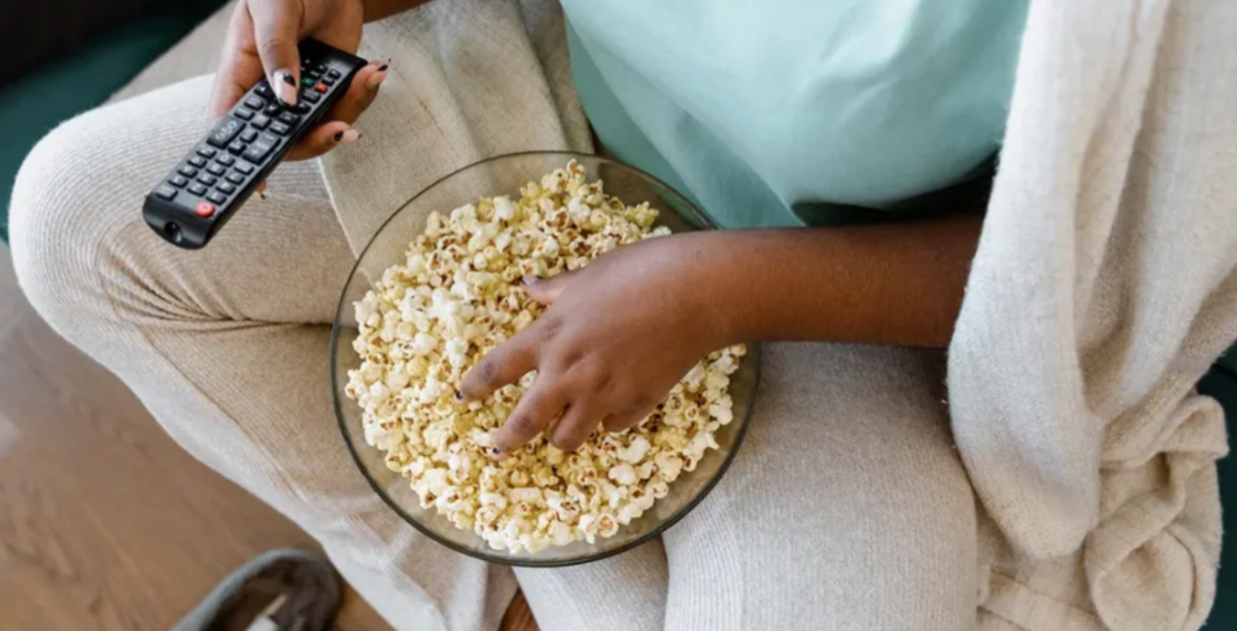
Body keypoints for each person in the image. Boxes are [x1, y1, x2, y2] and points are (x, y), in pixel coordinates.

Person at [9, 0, 1235, 630]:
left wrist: (712, 288)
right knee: (74, 224)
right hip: (539, 95)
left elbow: (1099, 278)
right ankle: (501, 605)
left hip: (840, 303)